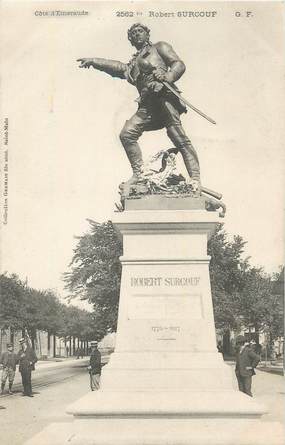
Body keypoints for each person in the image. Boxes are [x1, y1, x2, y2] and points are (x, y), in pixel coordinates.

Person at [77, 23, 201, 194]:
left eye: (139, 31)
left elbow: (178, 64)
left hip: (164, 98)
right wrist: (94, 61)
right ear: (130, 39)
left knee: (178, 137)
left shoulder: (159, 47)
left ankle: (195, 180)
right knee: (127, 134)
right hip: (148, 105)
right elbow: (119, 68)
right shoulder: (133, 64)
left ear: (147, 34)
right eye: (133, 33)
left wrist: (168, 76)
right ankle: (139, 174)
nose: (136, 35)